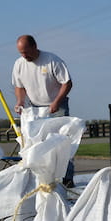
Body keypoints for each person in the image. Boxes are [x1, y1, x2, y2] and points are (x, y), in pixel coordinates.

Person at [12, 34, 75, 185]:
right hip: (35, 108)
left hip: (57, 106)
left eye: (26, 52)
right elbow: (19, 86)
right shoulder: (19, 64)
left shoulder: (52, 60)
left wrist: (56, 102)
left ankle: (66, 178)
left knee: (61, 143)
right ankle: (43, 178)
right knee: (38, 144)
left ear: (34, 47)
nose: (24, 55)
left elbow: (67, 83)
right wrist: (20, 101)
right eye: (21, 53)